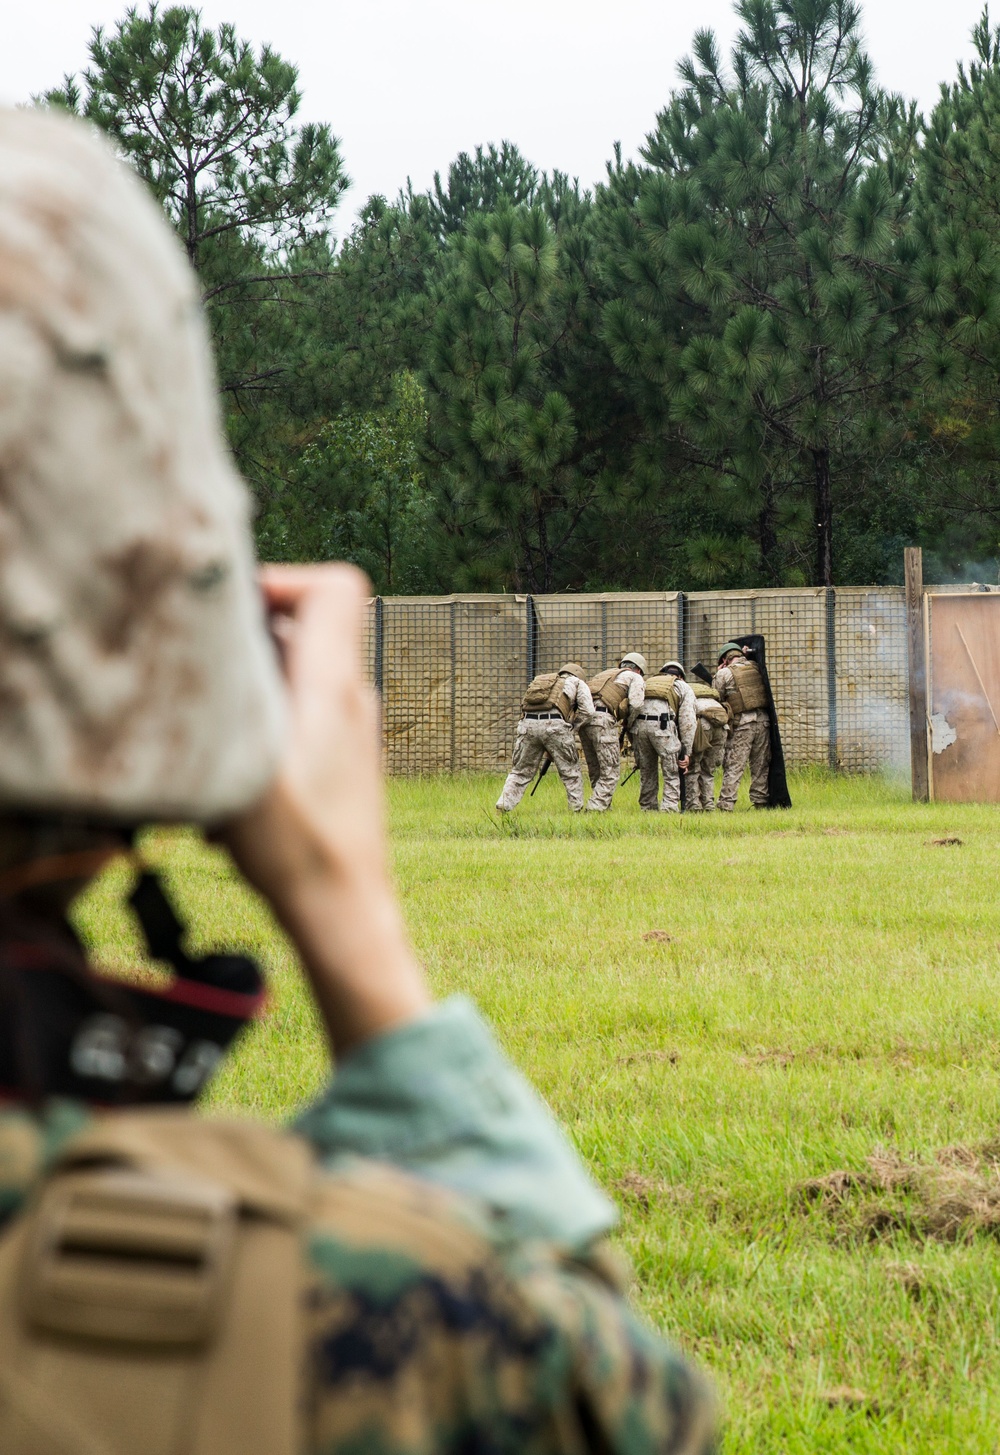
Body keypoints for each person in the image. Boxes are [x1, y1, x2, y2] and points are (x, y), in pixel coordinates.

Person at [0, 108, 716, 1454]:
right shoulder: (385, 1319)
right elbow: (624, 1410)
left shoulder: (609, 684)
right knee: (571, 783)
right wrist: (348, 907)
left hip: (537, 743)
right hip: (560, 751)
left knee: (538, 784)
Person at [495, 662, 595, 812]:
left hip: (527, 724)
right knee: (570, 771)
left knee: (520, 771)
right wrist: (572, 727)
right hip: (555, 725)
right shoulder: (577, 682)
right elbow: (588, 711)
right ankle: (576, 809)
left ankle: (504, 804)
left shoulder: (542, 681)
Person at [580, 654, 646, 811]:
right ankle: (595, 808)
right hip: (602, 720)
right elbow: (637, 704)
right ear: (639, 670)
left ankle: (603, 807)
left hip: (583, 720)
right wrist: (629, 722)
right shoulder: (635, 677)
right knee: (610, 770)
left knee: (595, 768)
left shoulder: (604, 675)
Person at [630, 661, 697, 813]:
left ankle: (648, 808)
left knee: (647, 771)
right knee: (671, 772)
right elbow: (688, 721)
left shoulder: (648, 682)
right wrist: (687, 751)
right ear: (681, 676)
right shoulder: (682, 686)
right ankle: (669, 809)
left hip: (639, 727)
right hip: (662, 726)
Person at [714, 642, 772, 810]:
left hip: (742, 723)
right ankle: (760, 802)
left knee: (734, 764)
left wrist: (717, 674)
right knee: (760, 764)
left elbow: (716, 697)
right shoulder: (756, 666)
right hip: (764, 721)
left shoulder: (724, 673)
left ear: (724, 659)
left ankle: (726, 804)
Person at [687, 676, 730, 813]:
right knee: (708, 769)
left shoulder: (685, 693)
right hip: (722, 726)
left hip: (703, 725)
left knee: (693, 766)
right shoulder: (711, 698)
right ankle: (709, 804)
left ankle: (694, 805)